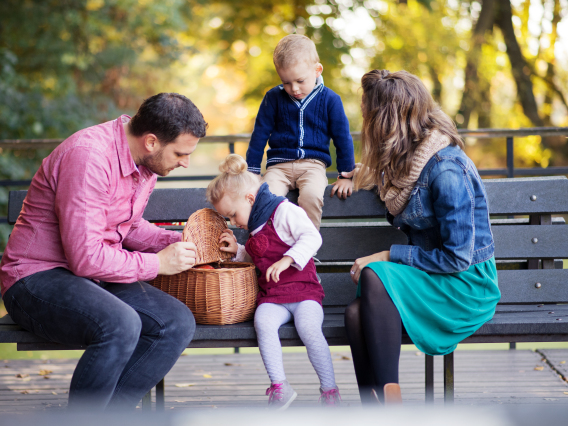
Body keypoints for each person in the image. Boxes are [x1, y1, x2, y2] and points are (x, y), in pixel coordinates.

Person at [0, 93, 207, 410]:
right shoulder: (89, 158)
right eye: (180, 153)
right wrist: (157, 264)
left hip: (94, 276)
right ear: (151, 141)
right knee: (121, 324)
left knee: (176, 322)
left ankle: (112, 416)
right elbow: (86, 258)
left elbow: (130, 226)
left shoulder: (143, 163)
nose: (185, 162)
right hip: (35, 279)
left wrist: (179, 243)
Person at [343, 70, 501, 404]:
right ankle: (374, 409)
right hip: (430, 278)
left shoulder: (446, 170)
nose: (366, 124)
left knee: (374, 274)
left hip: (463, 285)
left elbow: (458, 258)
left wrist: (389, 255)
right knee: (354, 313)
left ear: (387, 122)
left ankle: (390, 406)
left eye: (369, 117)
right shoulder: (405, 166)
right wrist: (368, 175)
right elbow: (397, 189)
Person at [207, 154, 341, 409]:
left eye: (234, 215)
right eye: (230, 219)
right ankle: (280, 386)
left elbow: (312, 238)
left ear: (249, 199)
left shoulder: (283, 211)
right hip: (274, 296)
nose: (234, 222)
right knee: (263, 322)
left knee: (309, 329)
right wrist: (237, 250)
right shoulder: (255, 224)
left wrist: (288, 259)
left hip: (304, 292)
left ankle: (329, 389)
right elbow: (259, 256)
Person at [245, 34, 356, 230]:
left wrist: (345, 175)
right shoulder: (273, 98)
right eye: (286, 82)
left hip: (312, 166)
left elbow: (342, 138)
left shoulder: (330, 100)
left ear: (317, 70)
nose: (294, 88)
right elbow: (259, 135)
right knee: (269, 199)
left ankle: (306, 248)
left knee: (311, 196)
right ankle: (274, 247)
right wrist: (252, 171)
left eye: (300, 80)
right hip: (279, 167)